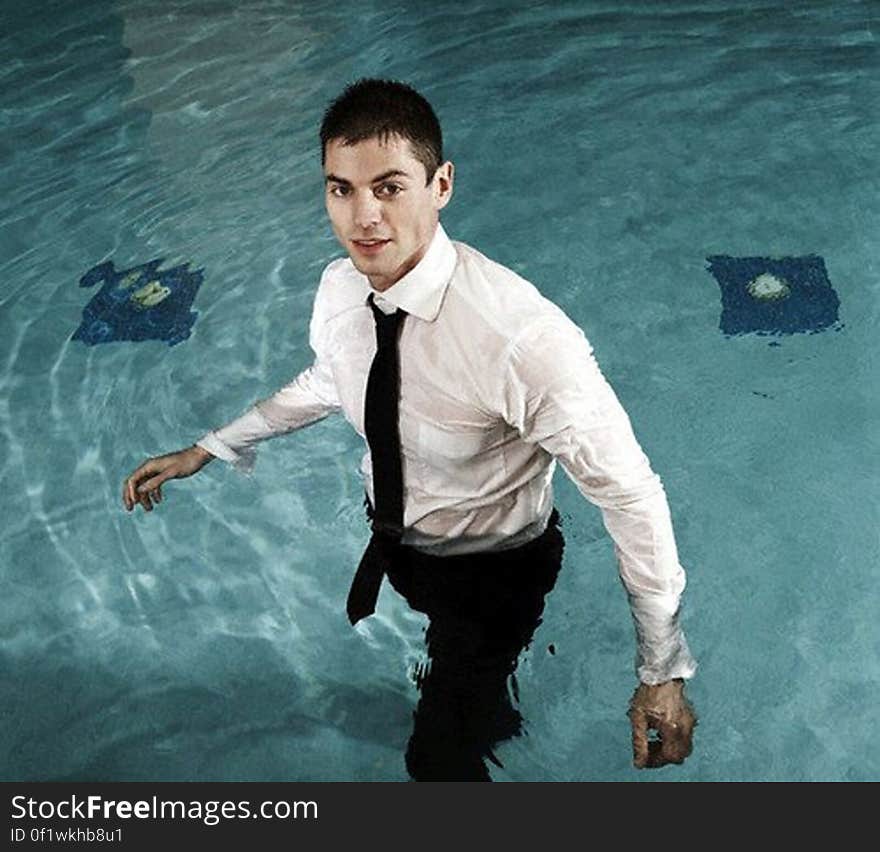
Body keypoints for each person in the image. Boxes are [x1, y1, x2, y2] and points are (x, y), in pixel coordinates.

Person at [123, 78, 697, 779]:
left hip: (496, 572)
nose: (363, 217)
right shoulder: (341, 288)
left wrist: (661, 669)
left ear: (442, 184)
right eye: (341, 189)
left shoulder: (520, 338)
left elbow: (631, 496)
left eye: (390, 187)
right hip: (399, 541)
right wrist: (211, 448)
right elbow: (333, 381)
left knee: (437, 764)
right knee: (461, 692)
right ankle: (485, 707)